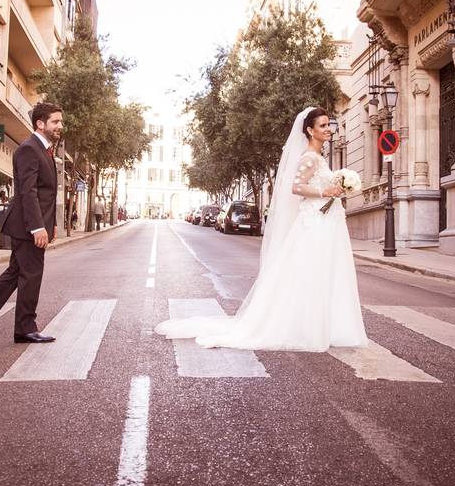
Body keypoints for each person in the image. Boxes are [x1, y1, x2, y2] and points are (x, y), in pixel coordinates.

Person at [155, 107, 368, 351]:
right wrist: (326, 191)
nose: (328, 129)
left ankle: (326, 325)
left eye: (328, 124)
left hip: (326, 222)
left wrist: (338, 188)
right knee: (311, 272)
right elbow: (296, 187)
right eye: (322, 125)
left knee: (325, 272)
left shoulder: (318, 158)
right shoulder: (309, 157)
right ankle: (305, 326)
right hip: (315, 224)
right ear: (310, 130)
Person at [0, 103, 63, 344]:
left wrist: (52, 225)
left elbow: (46, 194)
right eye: (55, 121)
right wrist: (38, 227)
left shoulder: (45, 150)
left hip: (32, 224)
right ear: (40, 123)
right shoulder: (29, 149)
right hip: (27, 226)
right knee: (32, 275)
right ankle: (24, 328)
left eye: (61, 121)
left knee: (15, 272)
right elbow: (28, 192)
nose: (60, 125)